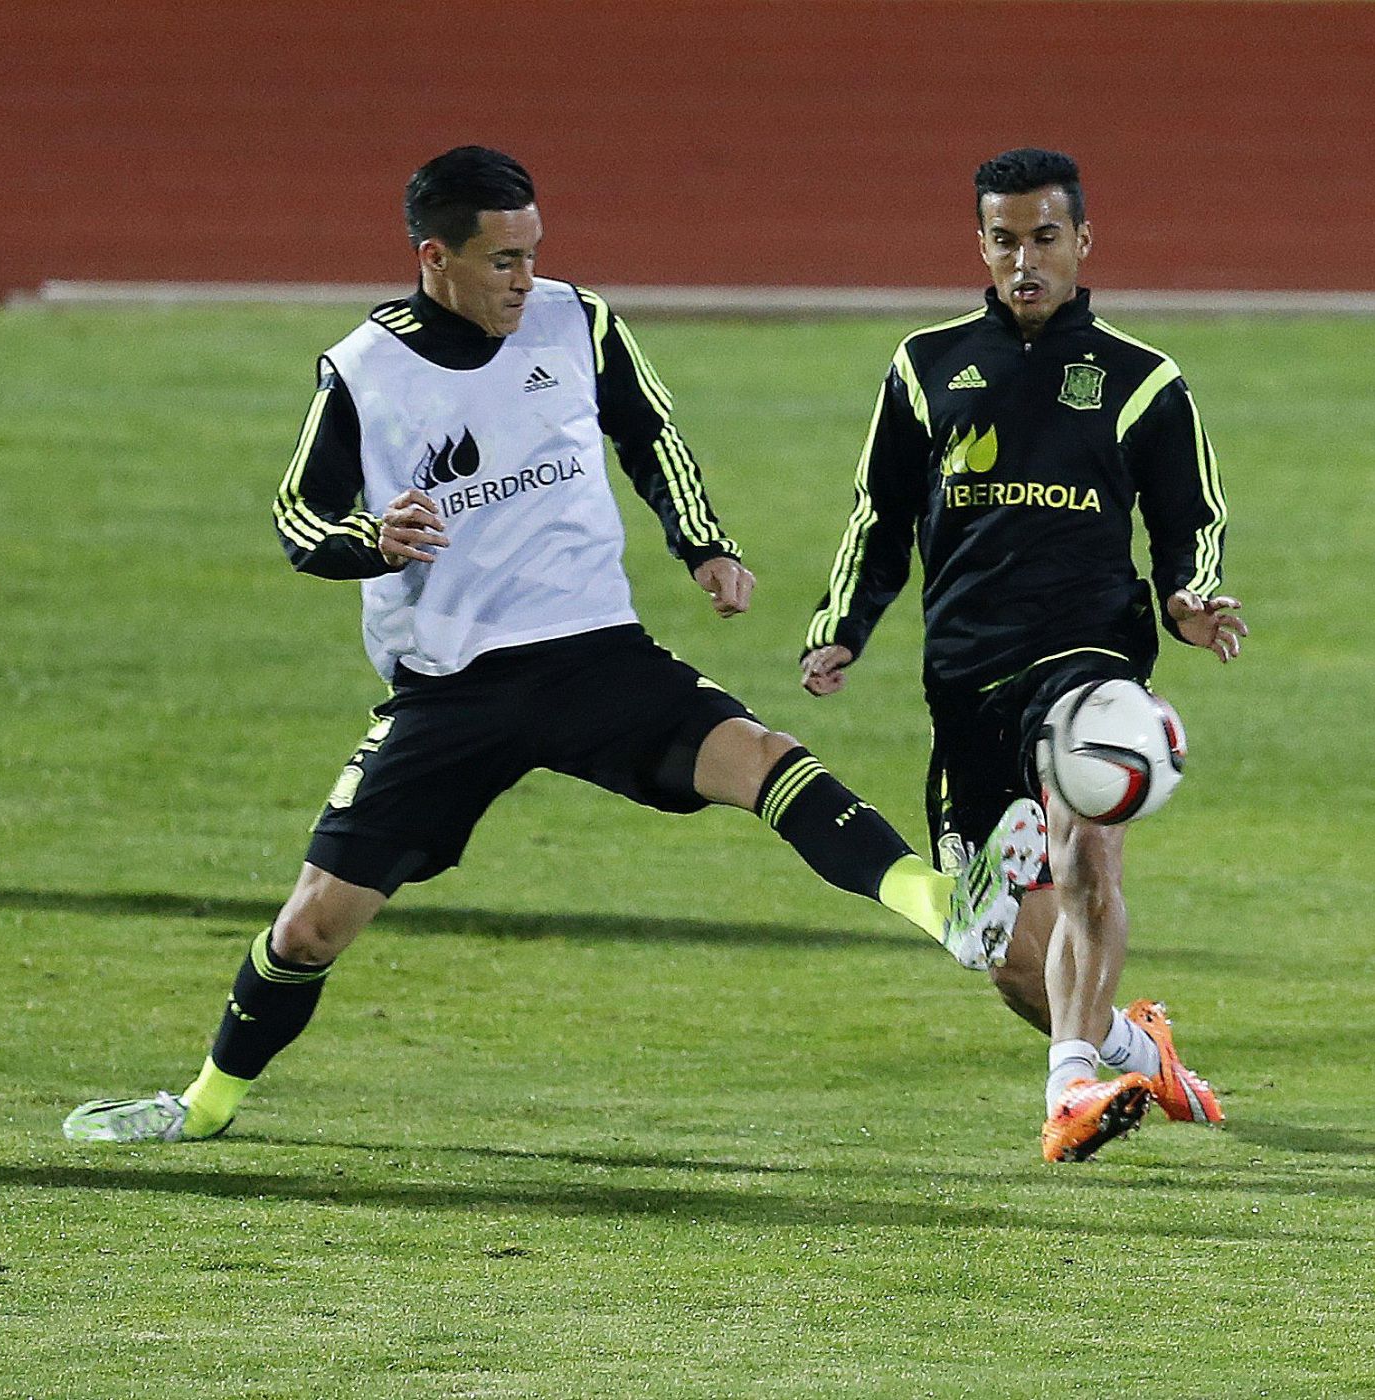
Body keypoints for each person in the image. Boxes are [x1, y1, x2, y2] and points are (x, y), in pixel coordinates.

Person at [63, 146, 1044, 1146]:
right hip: (451, 689)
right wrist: (371, 538)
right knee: (311, 922)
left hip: (591, 652)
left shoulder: (575, 320)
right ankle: (202, 1102)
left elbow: (647, 430)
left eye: (532, 254)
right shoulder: (363, 371)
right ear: (433, 256)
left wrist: (700, 541)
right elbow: (296, 517)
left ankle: (944, 906)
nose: (525, 280)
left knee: (762, 758)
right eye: (501, 262)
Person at [800, 148, 1247, 1162]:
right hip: (962, 673)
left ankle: (1066, 1093)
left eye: (1044, 238)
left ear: (1082, 241)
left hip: (1087, 655)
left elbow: (1189, 519)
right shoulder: (924, 367)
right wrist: (840, 624)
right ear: (980, 246)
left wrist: (1185, 600)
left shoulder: (1140, 381)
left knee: (1085, 844)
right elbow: (880, 515)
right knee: (999, 950)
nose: (1024, 260)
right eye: (1003, 240)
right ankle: (1132, 1049)